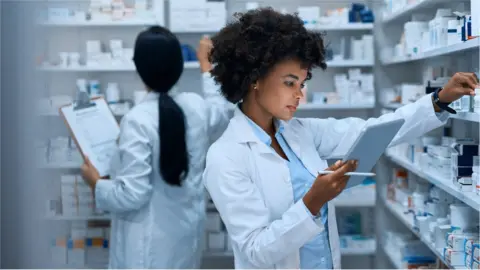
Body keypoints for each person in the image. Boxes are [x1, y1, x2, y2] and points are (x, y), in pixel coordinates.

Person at [203, 8, 479, 269]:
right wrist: (313, 201)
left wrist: (440, 100)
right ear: (255, 79)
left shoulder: (298, 132)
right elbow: (256, 249)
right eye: (289, 83)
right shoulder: (226, 156)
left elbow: (375, 130)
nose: (299, 95)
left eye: (301, 83)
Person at [80, 26, 229, 268]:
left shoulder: (138, 119)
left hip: (147, 246)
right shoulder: (197, 107)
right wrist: (205, 64)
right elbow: (222, 110)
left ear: (138, 67)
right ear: (179, 65)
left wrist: (96, 183)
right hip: (184, 237)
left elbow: (132, 195)